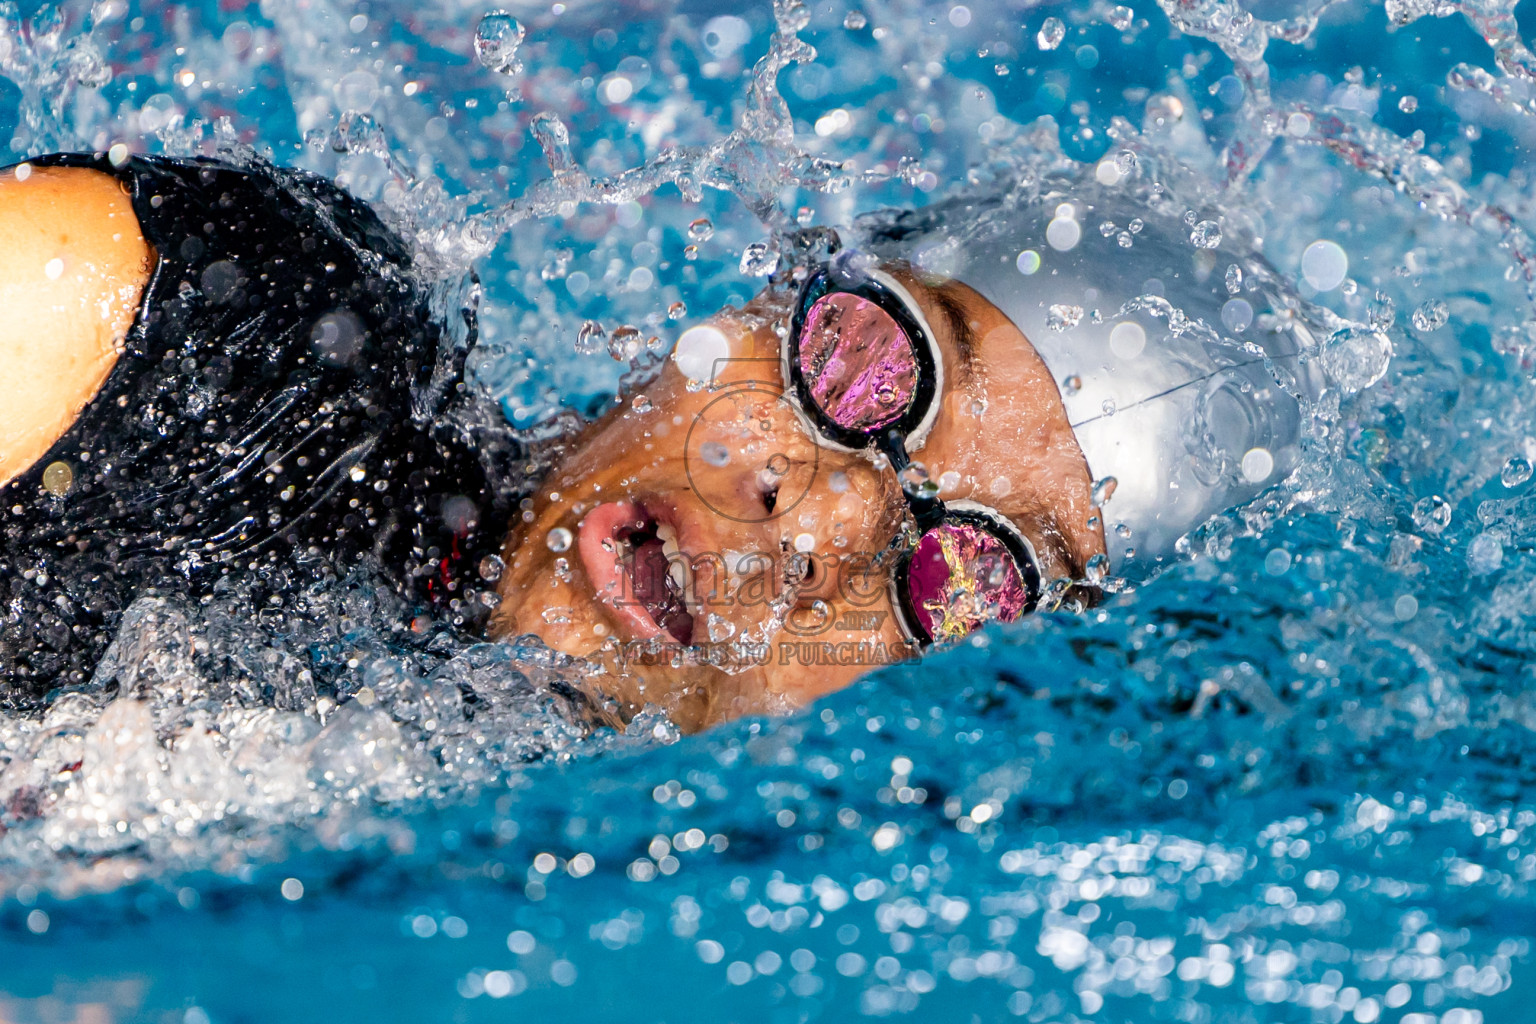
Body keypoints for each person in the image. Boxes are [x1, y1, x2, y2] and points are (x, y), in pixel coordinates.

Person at [0, 150, 1326, 730]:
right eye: (864, 367)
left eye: (968, 571)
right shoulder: (208, 337)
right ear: (766, 291)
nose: (808, 525)